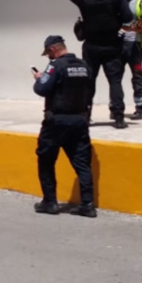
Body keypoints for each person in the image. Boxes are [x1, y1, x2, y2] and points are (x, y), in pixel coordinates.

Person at [61, 0, 133, 130]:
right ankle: (119, 118)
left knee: (88, 82)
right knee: (115, 82)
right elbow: (128, 17)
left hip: (91, 47)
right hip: (112, 46)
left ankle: (85, 116)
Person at [31, 35, 97, 217]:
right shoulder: (84, 66)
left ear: (53, 49)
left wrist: (39, 78)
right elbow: (90, 90)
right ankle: (87, 205)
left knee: (46, 160)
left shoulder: (55, 66)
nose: (48, 58)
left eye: (48, 54)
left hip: (56, 121)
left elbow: (42, 89)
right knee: (82, 163)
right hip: (79, 120)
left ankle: (50, 202)